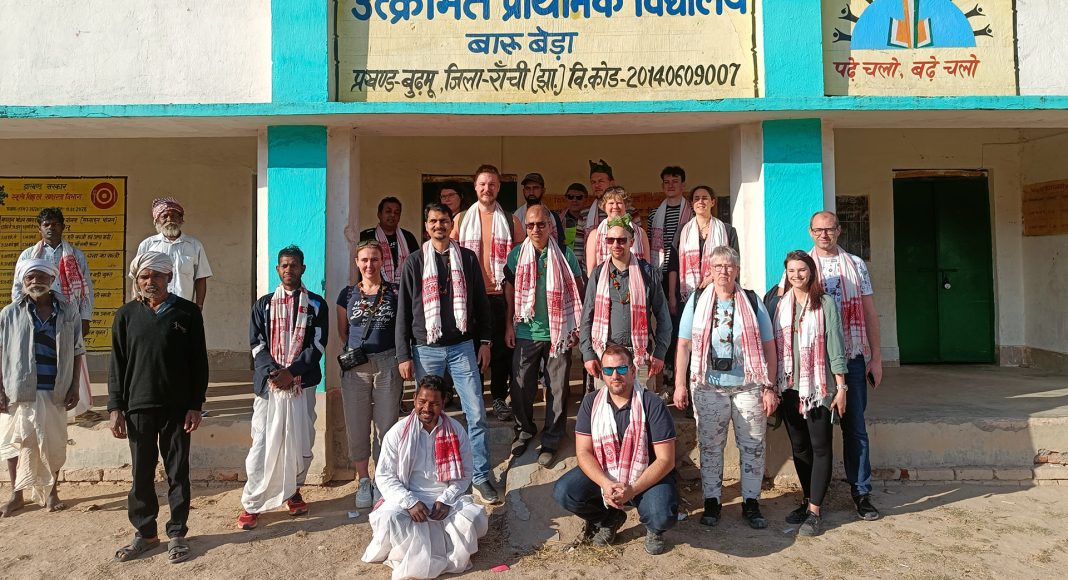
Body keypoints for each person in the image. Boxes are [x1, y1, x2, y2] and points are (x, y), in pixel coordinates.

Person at [108, 252, 208, 564]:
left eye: (156, 276)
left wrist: (195, 405)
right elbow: (117, 364)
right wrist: (115, 407)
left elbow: (199, 362)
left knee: (177, 472)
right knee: (141, 473)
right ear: (137, 280)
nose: (150, 281)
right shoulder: (125, 315)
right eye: (144, 276)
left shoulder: (187, 313)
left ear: (168, 277)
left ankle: (177, 532)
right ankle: (146, 533)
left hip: (177, 408)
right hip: (138, 406)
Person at [399, 203, 501, 505]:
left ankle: (480, 475)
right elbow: (404, 309)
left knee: (476, 413)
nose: (439, 226)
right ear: (426, 226)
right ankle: (431, 475)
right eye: (433, 221)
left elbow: (481, 303)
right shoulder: (415, 261)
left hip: (462, 347)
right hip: (425, 349)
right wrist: (404, 354)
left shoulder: (467, 258)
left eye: (443, 220)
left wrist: (485, 342)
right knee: (427, 414)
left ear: (451, 225)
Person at [673, 246, 777, 530]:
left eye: (729, 266)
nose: (723, 271)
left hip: (749, 387)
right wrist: (680, 384)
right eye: (718, 266)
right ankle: (712, 502)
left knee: (753, 446)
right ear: (710, 269)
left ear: (737, 270)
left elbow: (769, 346)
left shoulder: (752, 302)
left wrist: (769, 386)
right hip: (709, 388)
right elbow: (684, 345)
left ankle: (751, 503)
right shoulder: (697, 301)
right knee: (710, 447)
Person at [553, 344, 678, 555]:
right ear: (602, 373)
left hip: (644, 475)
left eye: (621, 369)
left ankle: (654, 529)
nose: (615, 376)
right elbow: (583, 452)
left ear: (632, 370)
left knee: (662, 514)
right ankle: (608, 519)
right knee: (565, 492)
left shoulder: (652, 404)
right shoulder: (591, 402)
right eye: (609, 370)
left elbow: (666, 460)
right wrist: (606, 483)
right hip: (606, 471)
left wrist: (633, 489)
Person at [237, 245, 329, 530]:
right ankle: (253, 502)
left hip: (302, 384)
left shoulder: (316, 304)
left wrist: (292, 372)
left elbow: (318, 345)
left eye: (294, 265)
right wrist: (274, 373)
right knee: (263, 443)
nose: (289, 269)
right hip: (270, 386)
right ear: (278, 269)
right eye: (284, 265)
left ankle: (293, 492)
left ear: (303, 269)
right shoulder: (263, 305)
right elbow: (256, 344)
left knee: (300, 441)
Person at [362, 375, 488, 579]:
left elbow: (465, 474)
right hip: (408, 498)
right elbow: (385, 476)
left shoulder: (456, 430)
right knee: (389, 519)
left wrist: (446, 499)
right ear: (414, 399)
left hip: (445, 500)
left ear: (443, 403)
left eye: (434, 403)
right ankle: (420, 556)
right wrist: (410, 502)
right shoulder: (397, 432)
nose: (427, 408)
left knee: (473, 519)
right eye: (422, 401)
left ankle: (429, 553)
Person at [805, 210, 883, 520]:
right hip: (814, 361)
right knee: (816, 431)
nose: (824, 234)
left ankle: (861, 493)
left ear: (839, 231)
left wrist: (876, 357)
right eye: (818, 230)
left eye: (829, 229)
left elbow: (869, 312)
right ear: (811, 232)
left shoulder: (856, 265)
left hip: (851, 355)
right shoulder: (802, 265)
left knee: (855, 428)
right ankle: (812, 497)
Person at [770, 250, 848, 537]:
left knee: (820, 446)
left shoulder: (825, 303)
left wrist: (841, 387)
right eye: (791, 271)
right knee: (800, 446)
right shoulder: (780, 304)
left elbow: (835, 346)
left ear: (811, 272)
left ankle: (815, 511)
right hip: (789, 387)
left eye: (801, 270)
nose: (797, 275)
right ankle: (807, 500)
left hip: (817, 388)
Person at [0, 259, 85, 517]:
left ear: (52, 279)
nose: (35, 281)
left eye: (41, 276)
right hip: (18, 390)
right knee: (16, 443)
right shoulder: (9, 313)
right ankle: (16, 495)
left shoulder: (68, 311)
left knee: (53, 442)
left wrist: (75, 386)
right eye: (30, 277)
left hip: (55, 389)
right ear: (23, 281)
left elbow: (78, 350)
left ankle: (51, 493)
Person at [503, 205, 584, 467]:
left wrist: (575, 327)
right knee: (520, 386)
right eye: (530, 225)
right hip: (526, 330)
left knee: (557, 389)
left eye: (541, 224)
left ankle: (552, 439)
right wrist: (508, 325)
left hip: (558, 332)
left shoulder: (566, 255)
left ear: (550, 226)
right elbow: (509, 290)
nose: (536, 229)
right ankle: (524, 431)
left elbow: (578, 290)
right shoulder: (517, 255)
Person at [451, 164, 525, 423]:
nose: (487, 188)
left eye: (492, 184)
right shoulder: (461, 220)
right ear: (475, 187)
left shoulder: (511, 221)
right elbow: (450, 256)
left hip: (500, 293)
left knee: (502, 351)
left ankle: (499, 398)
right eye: (482, 184)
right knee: (471, 350)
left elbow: (520, 263)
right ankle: (473, 400)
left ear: (499, 187)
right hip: (470, 296)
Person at [337, 240, 402, 510]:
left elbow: (402, 327)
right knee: (357, 426)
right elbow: (343, 332)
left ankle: (382, 479)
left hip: (388, 364)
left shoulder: (395, 292)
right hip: (356, 369)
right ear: (357, 262)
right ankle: (364, 480)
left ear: (382, 261)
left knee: (386, 427)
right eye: (364, 260)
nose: (369, 265)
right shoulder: (347, 295)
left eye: (374, 259)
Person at [10, 208, 94, 416]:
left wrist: (85, 317)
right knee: (38, 357)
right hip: (36, 314)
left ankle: (75, 406)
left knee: (71, 355)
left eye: (55, 224)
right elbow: (18, 287)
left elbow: (86, 289)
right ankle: (35, 403)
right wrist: (21, 315)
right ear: (39, 228)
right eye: (46, 224)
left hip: (67, 314)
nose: (50, 228)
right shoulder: (29, 254)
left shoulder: (76, 255)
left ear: (63, 227)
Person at [579, 216, 671, 390]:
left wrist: (660, 352)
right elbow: (586, 318)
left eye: (621, 240)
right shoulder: (598, 274)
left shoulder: (648, 273)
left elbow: (663, 316)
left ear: (631, 242)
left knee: (642, 404)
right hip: (606, 355)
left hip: (640, 355)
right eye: (611, 240)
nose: (616, 244)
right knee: (607, 405)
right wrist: (588, 354)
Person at [136, 197, 212, 309]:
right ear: (157, 221)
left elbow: (200, 278)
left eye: (174, 216)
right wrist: (137, 303)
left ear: (181, 219)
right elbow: (136, 276)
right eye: (164, 216)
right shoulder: (147, 245)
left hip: (184, 307)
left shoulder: (195, 245)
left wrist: (199, 306)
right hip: (154, 307)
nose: (170, 219)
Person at [672, 186, 739, 309]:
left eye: (705, 198)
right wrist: (671, 296)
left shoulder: (727, 230)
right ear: (692, 203)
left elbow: (734, 263)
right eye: (696, 198)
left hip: (720, 292)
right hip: (688, 295)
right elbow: (673, 265)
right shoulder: (682, 231)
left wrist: (713, 276)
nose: (700, 202)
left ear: (712, 202)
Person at [584, 187, 650, 276]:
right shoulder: (594, 235)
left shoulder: (640, 233)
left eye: (619, 203)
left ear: (626, 205)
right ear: (604, 206)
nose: (615, 206)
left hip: (636, 281)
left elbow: (647, 267)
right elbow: (591, 271)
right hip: (605, 282)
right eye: (611, 203)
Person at [359, 197, 420, 285]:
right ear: (379, 214)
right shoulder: (367, 236)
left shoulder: (408, 237)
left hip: (404, 288)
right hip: (374, 287)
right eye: (388, 211)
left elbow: (416, 264)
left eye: (396, 212)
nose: (392, 215)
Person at [647, 166, 693, 275]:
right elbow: (649, 242)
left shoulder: (693, 213)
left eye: (675, 182)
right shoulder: (654, 214)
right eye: (667, 182)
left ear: (683, 185)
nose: (670, 185)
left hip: (685, 269)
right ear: (662, 186)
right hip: (659, 270)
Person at [513, 172, 565, 246]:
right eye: (528, 188)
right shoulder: (515, 218)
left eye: (535, 188)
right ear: (523, 191)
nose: (531, 192)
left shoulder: (554, 218)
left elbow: (560, 245)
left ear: (543, 190)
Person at [559, 183, 589, 255]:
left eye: (579, 197)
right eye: (570, 197)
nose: (574, 200)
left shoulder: (591, 219)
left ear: (586, 199)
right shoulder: (558, 219)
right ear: (566, 198)